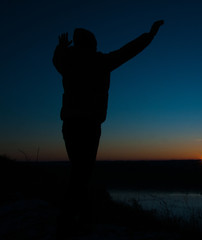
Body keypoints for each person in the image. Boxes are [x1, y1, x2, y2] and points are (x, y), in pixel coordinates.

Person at [53, 20, 164, 237]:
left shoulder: (69, 62)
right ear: (92, 43)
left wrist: (61, 48)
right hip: (89, 125)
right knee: (81, 174)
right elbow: (129, 51)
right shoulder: (100, 62)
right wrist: (149, 35)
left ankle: (80, 220)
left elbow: (56, 60)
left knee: (79, 173)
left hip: (71, 125)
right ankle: (69, 221)